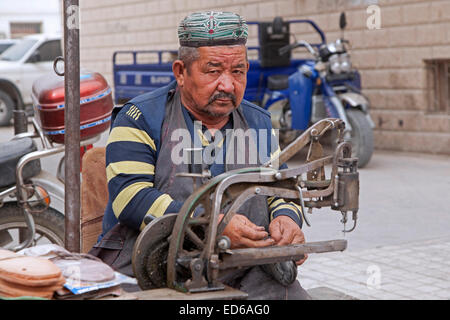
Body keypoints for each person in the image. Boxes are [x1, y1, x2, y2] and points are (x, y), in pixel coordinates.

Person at [92, 11, 311, 300]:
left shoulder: (257, 121)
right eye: (213, 70)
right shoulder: (139, 118)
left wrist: (286, 218)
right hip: (150, 266)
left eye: (238, 71)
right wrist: (210, 224)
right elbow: (130, 198)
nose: (228, 85)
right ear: (181, 72)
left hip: (240, 267)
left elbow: (281, 187)